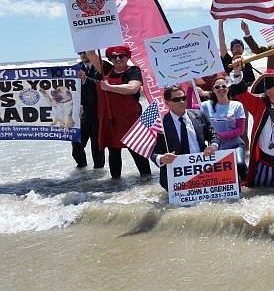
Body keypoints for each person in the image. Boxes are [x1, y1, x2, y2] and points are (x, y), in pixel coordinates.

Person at [85, 46, 152, 179]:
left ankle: (147, 181)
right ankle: (115, 184)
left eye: (121, 56)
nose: (118, 59)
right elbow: (91, 54)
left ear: (127, 57)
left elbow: (133, 88)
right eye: (114, 57)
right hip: (110, 120)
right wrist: (89, 34)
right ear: (109, 59)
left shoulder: (133, 71)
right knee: (113, 152)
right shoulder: (107, 70)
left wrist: (109, 87)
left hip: (130, 119)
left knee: (137, 151)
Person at [151, 85, 221, 191]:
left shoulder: (199, 115)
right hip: (175, 177)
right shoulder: (161, 124)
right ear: (167, 102)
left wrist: (213, 146)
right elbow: (152, 152)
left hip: (202, 171)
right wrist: (161, 158)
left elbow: (214, 135)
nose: (181, 102)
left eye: (183, 98)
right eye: (176, 99)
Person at [201, 75, 248, 180]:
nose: (221, 89)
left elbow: (240, 130)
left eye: (223, 86)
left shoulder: (237, 105)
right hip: (216, 148)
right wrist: (191, 88)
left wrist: (219, 135)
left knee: (240, 165)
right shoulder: (205, 106)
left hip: (235, 144)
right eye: (217, 87)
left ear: (228, 88)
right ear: (213, 90)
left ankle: (246, 184)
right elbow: (188, 107)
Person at [197, 19, 256, 100]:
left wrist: (239, 84)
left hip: (242, 96)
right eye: (235, 47)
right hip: (227, 95)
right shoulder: (227, 60)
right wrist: (220, 23)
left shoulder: (247, 64)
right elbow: (221, 41)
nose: (238, 48)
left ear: (243, 50)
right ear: (231, 50)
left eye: (240, 46)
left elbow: (251, 81)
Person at [72, 51, 105, 169]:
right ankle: (81, 169)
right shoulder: (74, 69)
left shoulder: (101, 66)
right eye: (80, 52)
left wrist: (86, 79)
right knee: (76, 145)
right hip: (79, 113)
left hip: (97, 112)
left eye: (85, 52)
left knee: (97, 146)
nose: (83, 55)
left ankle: (99, 172)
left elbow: (103, 84)